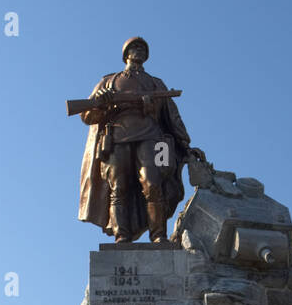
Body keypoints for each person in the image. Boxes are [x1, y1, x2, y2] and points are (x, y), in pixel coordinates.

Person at [78, 37, 203, 243]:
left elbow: (172, 117)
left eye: (143, 49)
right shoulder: (109, 80)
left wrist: (186, 145)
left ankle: (158, 236)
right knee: (118, 188)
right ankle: (122, 236)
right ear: (126, 54)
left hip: (152, 138)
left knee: (154, 184)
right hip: (116, 138)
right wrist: (100, 102)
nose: (139, 51)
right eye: (134, 47)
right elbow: (87, 115)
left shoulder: (156, 83)